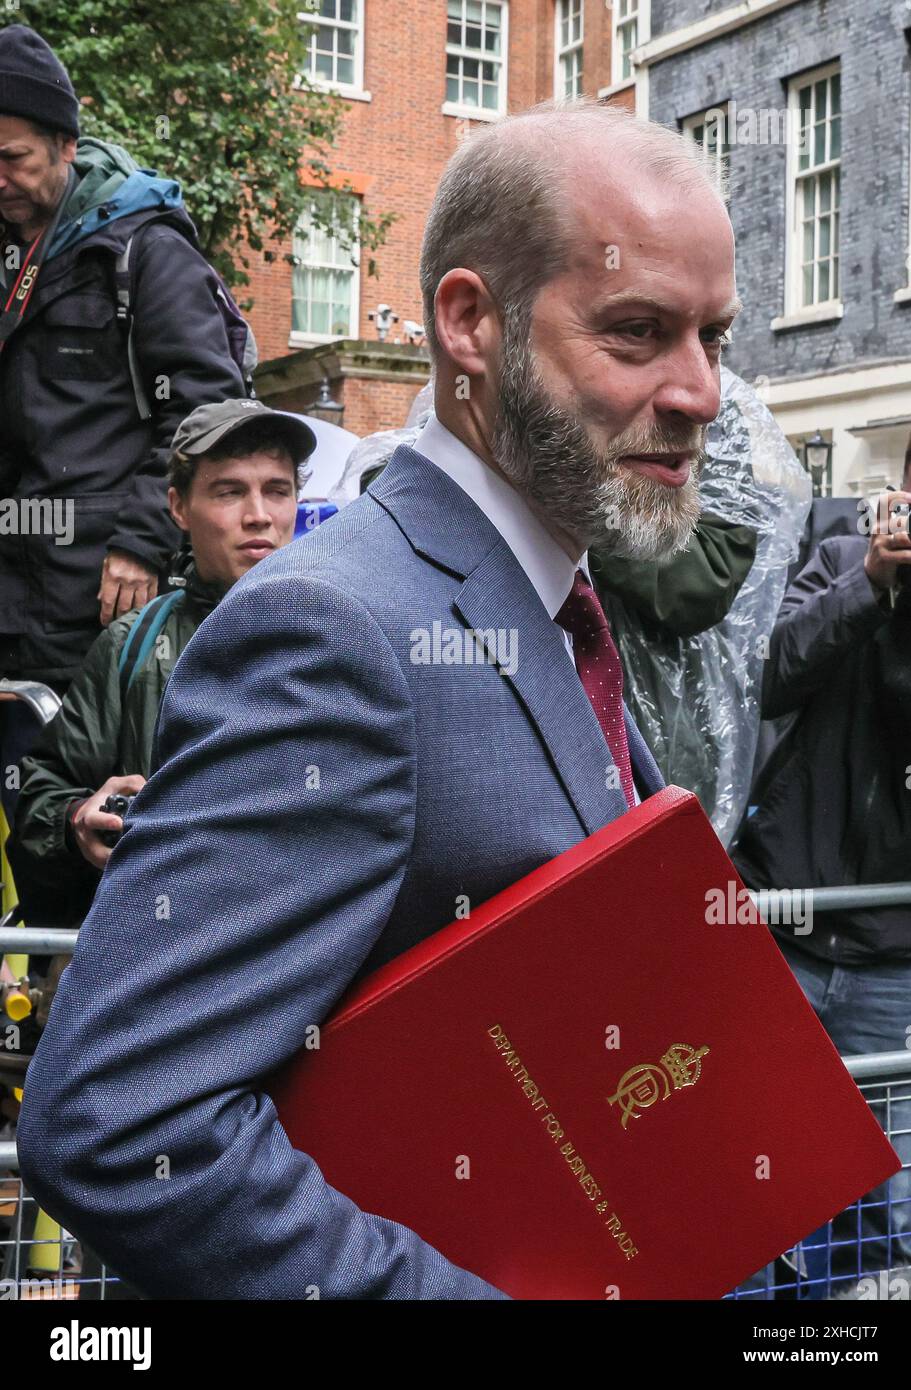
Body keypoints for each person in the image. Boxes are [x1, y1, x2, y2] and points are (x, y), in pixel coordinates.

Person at [17, 97, 739, 1299]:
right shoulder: (333, 629)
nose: (700, 391)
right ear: (468, 323)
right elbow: (117, 1123)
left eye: (713, 335)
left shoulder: (551, 598)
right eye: (637, 332)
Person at [0, 25, 247, 818]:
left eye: (13, 159)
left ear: (67, 145)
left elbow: (208, 403)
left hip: (96, 606)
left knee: (84, 820)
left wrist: (142, 540)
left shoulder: (143, 251)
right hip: (13, 598)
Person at [732, 415, 911, 1270]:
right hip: (787, 930)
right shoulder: (845, 557)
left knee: (877, 1207)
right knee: (751, 1174)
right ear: (898, 494)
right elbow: (768, 678)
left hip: (901, 954)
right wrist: (872, 590)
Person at [8, 401, 314, 932]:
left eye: (277, 489)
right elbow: (40, 793)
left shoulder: (340, 635)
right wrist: (78, 820)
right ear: (178, 507)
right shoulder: (132, 644)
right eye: (230, 491)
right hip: (162, 958)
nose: (259, 514)